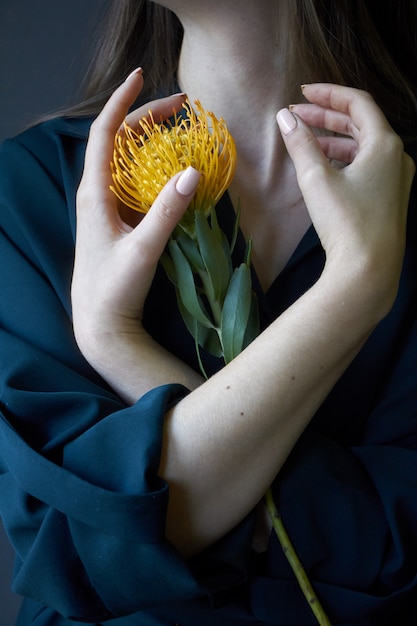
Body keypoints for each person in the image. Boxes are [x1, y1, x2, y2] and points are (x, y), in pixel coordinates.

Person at [1, 1, 417, 624]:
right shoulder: (32, 188)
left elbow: (397, 552)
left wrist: (116, 346)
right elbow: (76, 553)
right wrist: (355, 291)